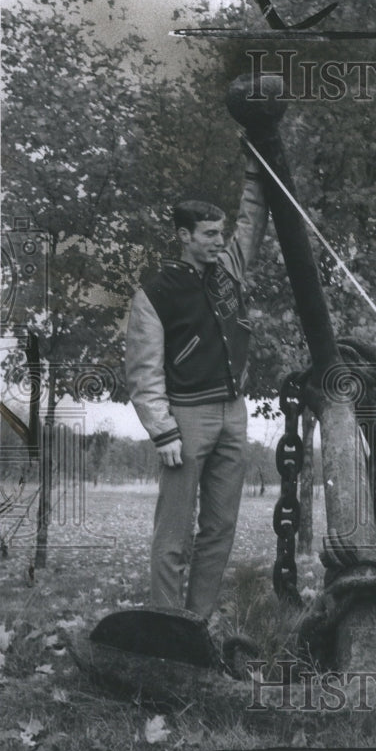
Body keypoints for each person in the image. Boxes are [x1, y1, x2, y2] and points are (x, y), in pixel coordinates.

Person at [125, 155, 269, 619]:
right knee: (173, 533)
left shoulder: (230, 269)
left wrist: (254, 169)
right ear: (184, 237)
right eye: (209, 235)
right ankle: (166, 629)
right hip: (186, 421)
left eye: (220, 234)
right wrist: (162, 430)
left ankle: (197, 625)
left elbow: (252, 221)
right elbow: (144, 371)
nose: (219, 242)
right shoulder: (155, 293)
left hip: (233, 414)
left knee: (220, 527)